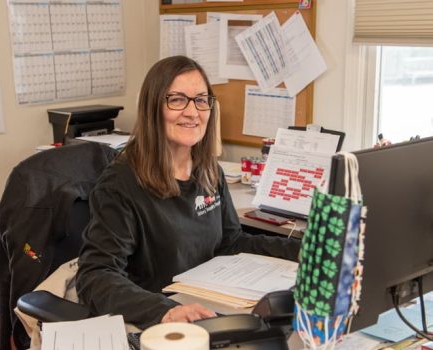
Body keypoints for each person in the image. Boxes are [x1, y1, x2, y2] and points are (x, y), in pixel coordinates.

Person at [76, 55, 301, 330]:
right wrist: (167, 311)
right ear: (153, 108)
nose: (193, 112)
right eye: (177, 99)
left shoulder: (208, 170)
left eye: (201, 99)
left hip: (207, 307)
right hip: (157, 319)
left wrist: (305, 250)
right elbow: (96, 275)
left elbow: (231, 242)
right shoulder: (119, 185)